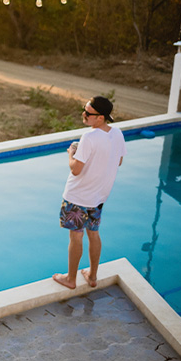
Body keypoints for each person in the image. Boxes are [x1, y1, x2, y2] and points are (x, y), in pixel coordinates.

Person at [52, 96, 127, 290]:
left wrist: (72, 153)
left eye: (88, 113)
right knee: (93, 233)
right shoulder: (117, 133)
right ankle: (92, 276)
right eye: (84, 110)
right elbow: (117, 161)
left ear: (100, 117)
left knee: (76, 237)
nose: (83, 115)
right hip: (98, 197)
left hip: (77, 197)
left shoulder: (89, 137)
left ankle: (70, 279)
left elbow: (76, 169)